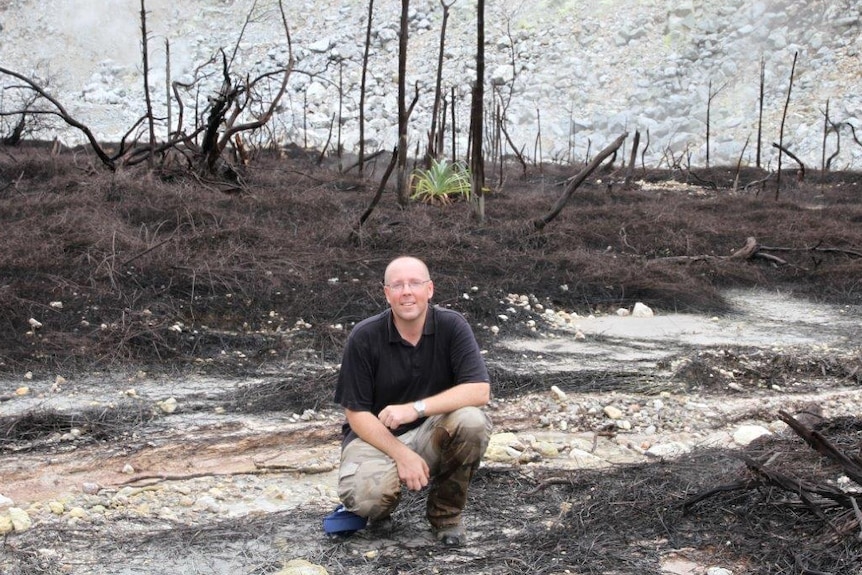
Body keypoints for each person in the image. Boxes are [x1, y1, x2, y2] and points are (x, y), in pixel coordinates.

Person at [334, 255, 492, 547]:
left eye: (414, 283)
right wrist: (401, 454)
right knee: (368, 500)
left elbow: (479, 390)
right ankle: (381, 511)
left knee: (471, 421)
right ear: (386, 293)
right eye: (397, 285)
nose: (406, 291)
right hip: (374, 440)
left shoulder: (452, 326)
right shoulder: (365, 336)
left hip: (430, 434)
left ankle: (446, 517)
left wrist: (415, 409)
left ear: (429, 289)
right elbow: (356, 414)